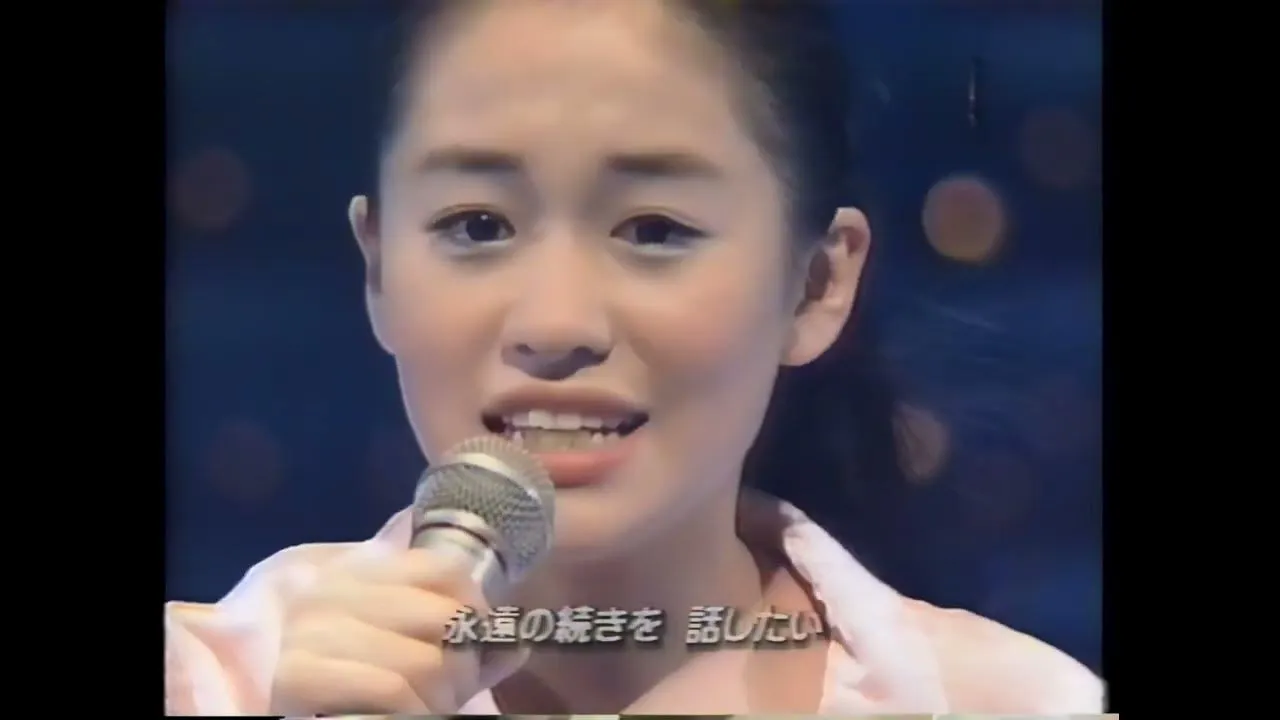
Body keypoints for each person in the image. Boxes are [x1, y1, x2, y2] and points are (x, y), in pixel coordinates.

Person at [164, 0, 1104, 715]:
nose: (556, 322)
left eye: (654, 230)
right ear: (376, 269)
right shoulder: (205, 684)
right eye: (477, 225)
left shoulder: (1023, 703)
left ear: (816, 284)